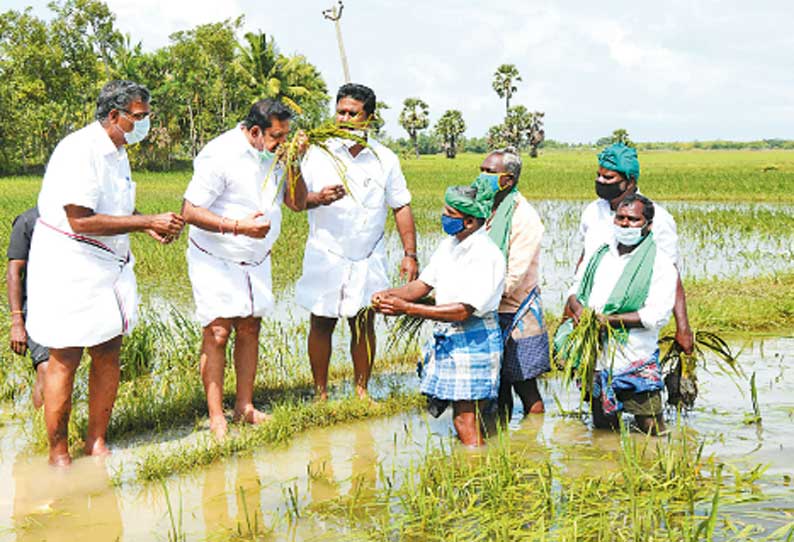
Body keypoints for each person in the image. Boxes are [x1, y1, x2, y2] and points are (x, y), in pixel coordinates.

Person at [25, 80, 185, 466]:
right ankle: (58, 451)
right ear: (114, 116)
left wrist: (145, 225)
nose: (145, 124)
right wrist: (146, 219)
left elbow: (112, 208)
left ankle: (96, 440)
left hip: (107, 267)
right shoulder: (80, 151)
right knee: (65, 355)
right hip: (71, 266)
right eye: (139, 117)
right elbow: (80, 220)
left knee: (108, 349)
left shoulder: (118, 151)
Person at [182, 99, 307, 439]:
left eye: (286, 136)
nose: (282, 142)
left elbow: (296, 203)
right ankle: (216, 416)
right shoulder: (219, 154)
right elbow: (190, 211)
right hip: (216, 254)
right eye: (277, 137)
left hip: (256, 257)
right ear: (254, 132)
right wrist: (237, 227)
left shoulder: (277, 155)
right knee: (218, 332)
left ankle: (245, 407)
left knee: (250, 327)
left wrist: (293, 161)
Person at [296, 83, 418, 401]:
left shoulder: (385, 159)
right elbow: (294, 200)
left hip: (368, 252)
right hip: (326, 250)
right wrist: (316, 195)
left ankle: (361, 390)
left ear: (369, 118)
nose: (345, 118)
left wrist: (410, 254)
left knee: (363, 322)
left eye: (353, 113)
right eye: (341, 112)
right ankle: (320, 393)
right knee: (321, 321)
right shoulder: (314, 152)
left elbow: (401, 205)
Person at [371, 186, 505, 446]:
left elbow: (463, 311)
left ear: (469, 220)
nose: (444, 216)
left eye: (449, 213)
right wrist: (387, 295)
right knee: (462, 416)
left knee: (465, 419)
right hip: (452, 337)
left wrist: (407, 308)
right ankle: (472, 466)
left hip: (474, 338)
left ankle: (475, 469)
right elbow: (421, 286)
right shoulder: (450, 245)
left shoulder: (485, 255)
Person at [565, 194, 676, 434]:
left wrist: (610, 321)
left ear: (648, 225)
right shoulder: (599, 256)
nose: (625, 224)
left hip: (634, 358)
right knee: (603, 428)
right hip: (597, 358)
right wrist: (579, 310)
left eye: (633, 220)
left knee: (651, 427)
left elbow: (656, 316)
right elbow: (575, 290)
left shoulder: (660, 264)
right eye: (620, 218)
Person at [577, 142, 693, 354]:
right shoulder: (592, 212)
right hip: (592, 321)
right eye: (599, 175)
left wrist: (683, 328)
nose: (600, 181)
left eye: (608, 178)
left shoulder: (657, 218)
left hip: (633, 321)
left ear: (629, 181)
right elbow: (584, 262)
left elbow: (671, 274)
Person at [474, 147, 550, 422]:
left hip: (516, 311)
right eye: (481, 170)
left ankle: (531, 441)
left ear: (508, 179)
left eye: (489, 172)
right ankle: (500, 439)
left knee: (525, 386)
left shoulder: (524, 217)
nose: (481, 176)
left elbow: (514, 275)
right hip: (486, 307)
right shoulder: (482, 208)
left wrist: (473, 298)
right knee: (497, 385)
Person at [6, 207, 49, 409]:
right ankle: (47, 434)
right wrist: (17, 321)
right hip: (40, 307)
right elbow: (14, 271)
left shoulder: (84, 218)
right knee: (46, 368)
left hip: (76, 304)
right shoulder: (28, 220)